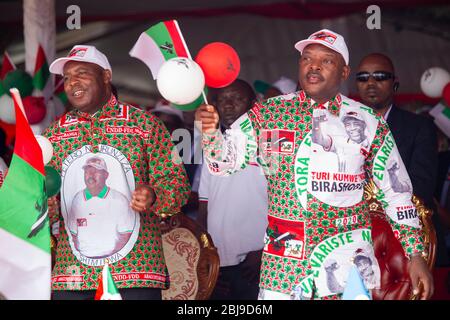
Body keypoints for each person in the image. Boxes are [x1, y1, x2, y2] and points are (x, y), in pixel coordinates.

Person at [196, 29, 433, 300]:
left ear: (344, 73)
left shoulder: (369, 122)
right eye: (307, 58)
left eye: (326, 60)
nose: (314, 66)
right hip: (284, 268)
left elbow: (397, 194)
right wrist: (211, 133)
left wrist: (416, 256)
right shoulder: (268, 114)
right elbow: (223, 164)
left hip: (348, 266)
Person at [44, 45, 190, 300]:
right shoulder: (53, 136)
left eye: (81, 73)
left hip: (137, 269)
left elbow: (177, 183)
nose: (71, 83)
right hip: (73, 274)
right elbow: (43, 197)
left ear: (106, 76)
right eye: (66, 78)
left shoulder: (145, 125)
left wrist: (154, 196)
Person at [355, 53, 448, 266]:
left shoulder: (419, 127)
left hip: (411, 242)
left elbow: (421, 187)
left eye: (380, 76)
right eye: (363, 77)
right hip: (361, 243)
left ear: (395, 84)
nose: (371, 82)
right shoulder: (345, 127)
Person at [197, 79, 268, 300]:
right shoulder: (212, 145)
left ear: (254, 104)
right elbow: (204, 203)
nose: (228, 105)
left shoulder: (270, 143)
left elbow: (285, 202)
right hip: (218, 259)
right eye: (223, 100)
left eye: (237, 99)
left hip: (257, 258)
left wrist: (265, 251)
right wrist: (205, 252)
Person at [69, 156, 135, 259]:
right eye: (87, 172)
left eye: (96, 171)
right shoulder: (77, 199)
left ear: (106, 175)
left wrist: (109, 256)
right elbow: (73, 233)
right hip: (83, 260)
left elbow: (126, 235)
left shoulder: (119, 200)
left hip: (112, 260)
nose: (90, 175)